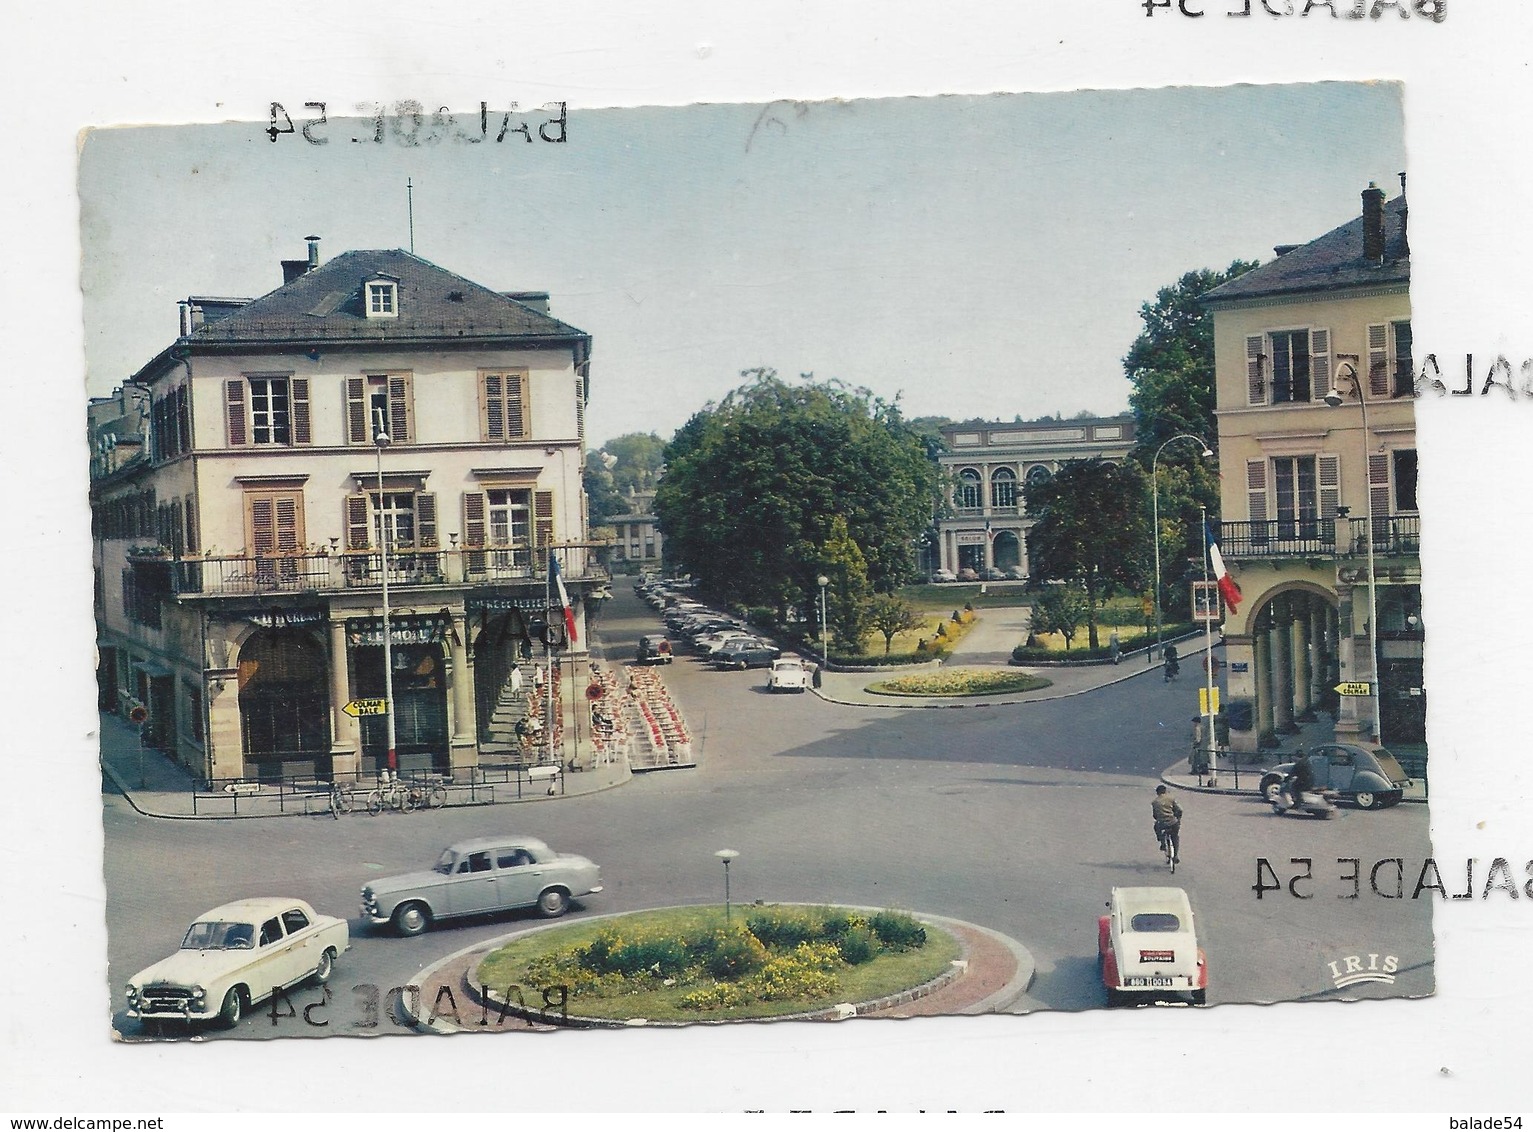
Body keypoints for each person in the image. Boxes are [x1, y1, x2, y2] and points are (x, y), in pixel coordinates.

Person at [1151, 784, 1183, 863]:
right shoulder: (1171, 799)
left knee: (1156, 827)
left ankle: (1162, 843)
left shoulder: (1154, 802)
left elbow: (1155, 815)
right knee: (1175, 837)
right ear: (1165, 791)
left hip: (1162, 823)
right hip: (1172, 822)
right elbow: (1180, 810)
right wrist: (1178, 818)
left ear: (1157, 793)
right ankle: (1175, 856)